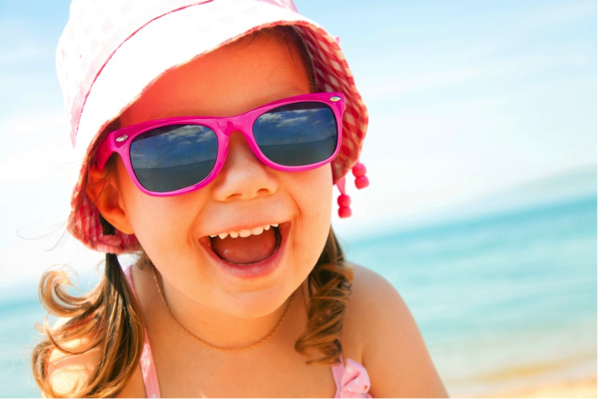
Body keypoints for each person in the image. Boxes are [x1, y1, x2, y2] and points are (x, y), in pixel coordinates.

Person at [32, 0, 449, 397]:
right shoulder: (94, 367)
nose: (246, 180)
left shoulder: (367, 316)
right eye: (179, 150)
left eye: (289, 129)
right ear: (114, 201)